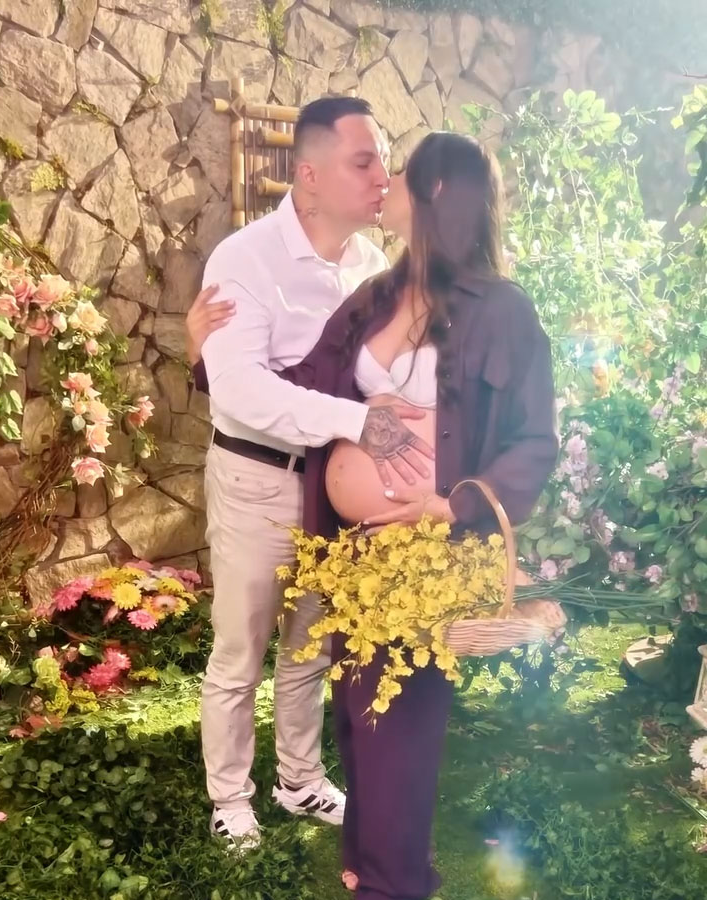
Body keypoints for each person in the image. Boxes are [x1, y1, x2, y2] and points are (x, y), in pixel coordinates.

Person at [190, 131, 559, 897]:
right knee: (359, 717)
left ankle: (395, 882)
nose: (385, 184)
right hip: (354, 550)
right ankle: (368, 859)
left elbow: (533, 440)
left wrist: (452, 506)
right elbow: (300, 380)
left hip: (432, 551)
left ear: (435, 194)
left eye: (401, 173)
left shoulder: (504, 310)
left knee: (401, 728)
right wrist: (208, 358)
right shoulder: (377, 295)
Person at [195, 95, 434, 852]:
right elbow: (240, 389)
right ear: (308, 175)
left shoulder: (373, 268)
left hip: (332, 486)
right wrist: (359, 422)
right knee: (241, 651)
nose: (381, 177)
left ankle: (298, 780)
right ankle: (229, 797)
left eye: (384, 163)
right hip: (256, 479)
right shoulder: (244, 260)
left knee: (310, 644)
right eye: (364, 162)